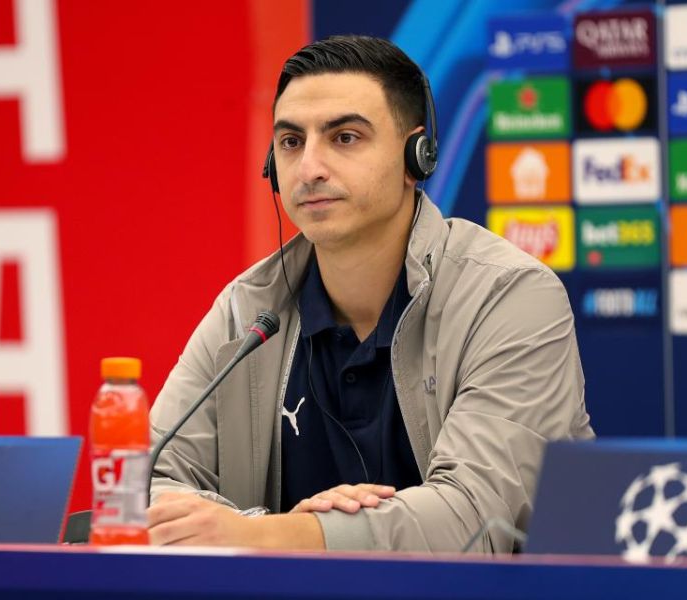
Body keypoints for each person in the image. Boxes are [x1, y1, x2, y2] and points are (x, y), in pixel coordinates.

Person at [146, 35, 594, 553]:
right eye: (291, 142)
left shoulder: (509, 296)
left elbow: (476, 520)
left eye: (345, 138)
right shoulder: (248, 310)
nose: (309, 168)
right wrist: (274, 527)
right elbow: (149, 481)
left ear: (416, 157)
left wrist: (275, 534)